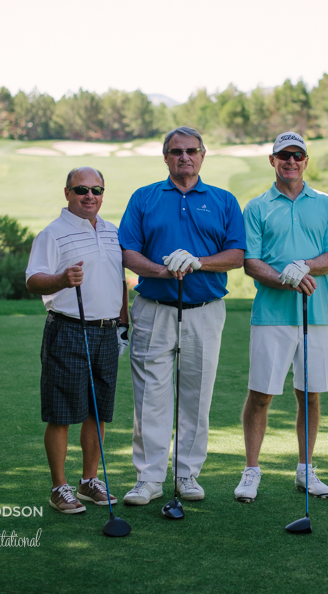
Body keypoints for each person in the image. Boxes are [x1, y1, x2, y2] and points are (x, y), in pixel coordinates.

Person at [118, 126, 246, 506]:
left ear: (203, 156)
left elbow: (237, 254)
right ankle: (149, 478)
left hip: (204, 311)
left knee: (196, 395)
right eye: (176, 151)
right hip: (153, 308)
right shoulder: (145, 197)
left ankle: (187, 474)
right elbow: (127, 251)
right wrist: (162, 270)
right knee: (150, 397)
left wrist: (198, 262)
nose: (184, 157)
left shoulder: (223, 200)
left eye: (191, 150)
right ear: (166, 157)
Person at [235, 132, 328, 503]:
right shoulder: (257, 207)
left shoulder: (326, 204)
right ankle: (251, 469)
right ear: (273, 160)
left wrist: (305, 266)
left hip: (316, 313)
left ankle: (306, 469)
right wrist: (285, 276)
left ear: (306, 161)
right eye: (284, 156)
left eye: (298, 155)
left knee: (310, 395)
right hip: (270, 315)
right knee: (261, 395)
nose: (291, 161)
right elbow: (250, 262)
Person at [25, 167, 129, 514]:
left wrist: (123, 321)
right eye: (82, 189)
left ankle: (88, 481)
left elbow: (119, 280)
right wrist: (61, 279)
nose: (90, 196)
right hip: (68, 328)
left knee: (97, 411)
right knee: (61, 412)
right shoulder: (52, 234)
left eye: (96, 190)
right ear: (67, 192)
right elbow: (33, 280)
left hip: (107, 331)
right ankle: (59, 487)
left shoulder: (114, 231)